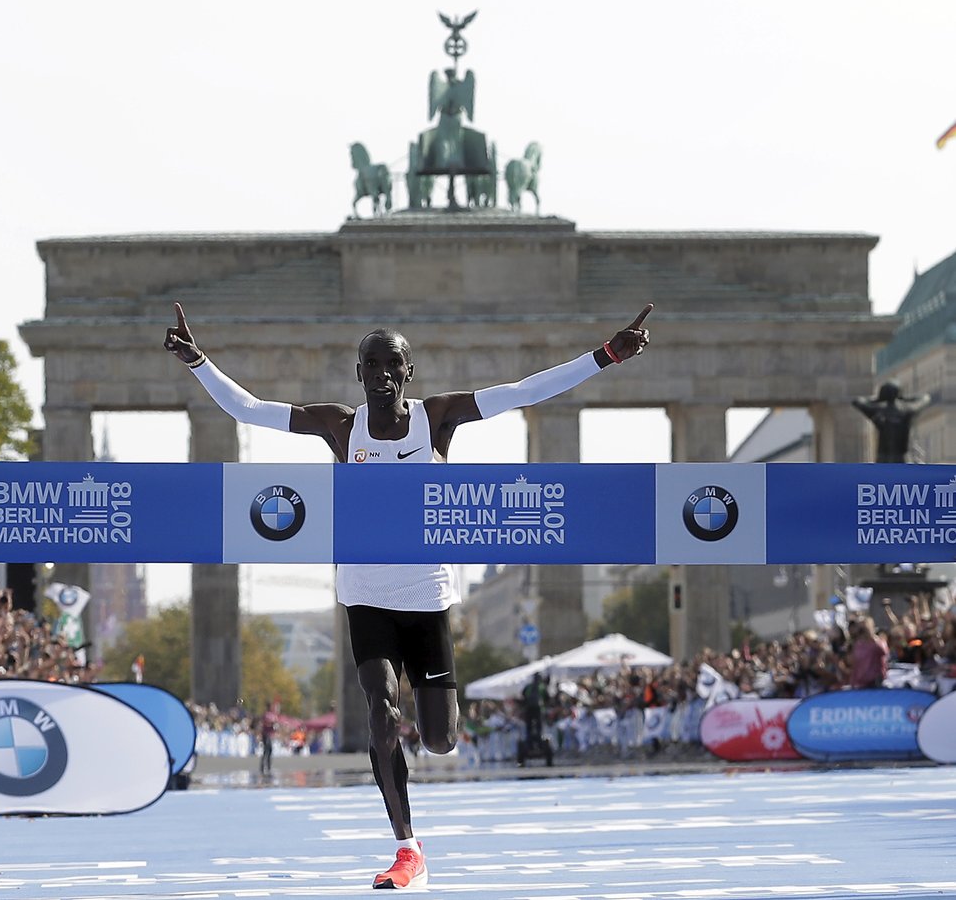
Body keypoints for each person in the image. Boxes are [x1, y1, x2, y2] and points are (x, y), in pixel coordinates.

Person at [165, 300, 652, 889]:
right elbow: (250, 410)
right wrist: (198, 362)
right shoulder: (341, 426)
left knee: (441, 739)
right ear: (359, 373)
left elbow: (524, 392)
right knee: (379, 709)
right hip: (365, 595)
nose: (380, 373)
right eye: (370, 364)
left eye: (391, 363)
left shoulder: (437, 419)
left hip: (426, 598)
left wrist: (604, 356)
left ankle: (436, 732)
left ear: (408, 371)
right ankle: (406, 847)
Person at [852, 381, 931, 463]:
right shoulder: (908, 410)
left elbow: (857, 401)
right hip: (902, 458)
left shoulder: (878, 410)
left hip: (883, 458)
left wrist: (878, 399)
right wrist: (903, 398)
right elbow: (925, 398)